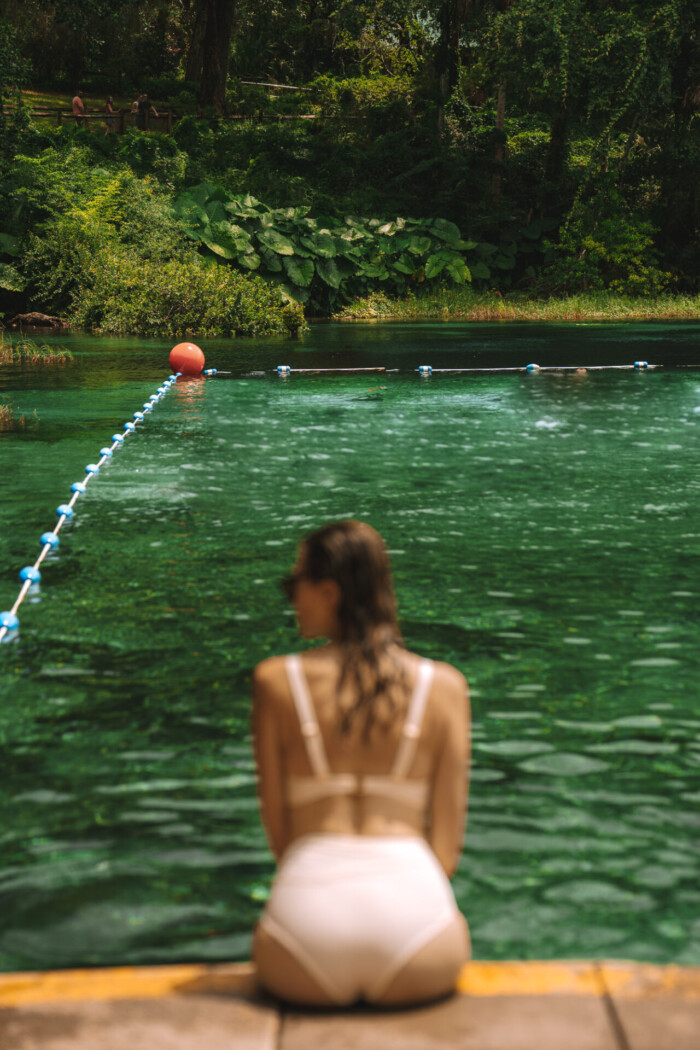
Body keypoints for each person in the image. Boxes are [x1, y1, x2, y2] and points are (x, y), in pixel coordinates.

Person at [251, 520, 471, 1007]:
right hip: (418, 931)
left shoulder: (275, 682)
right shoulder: (446, 688)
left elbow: (280, 835)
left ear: (327, 592)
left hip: (305, 933)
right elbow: (447, 849)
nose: (291, 599)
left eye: (295, 585)